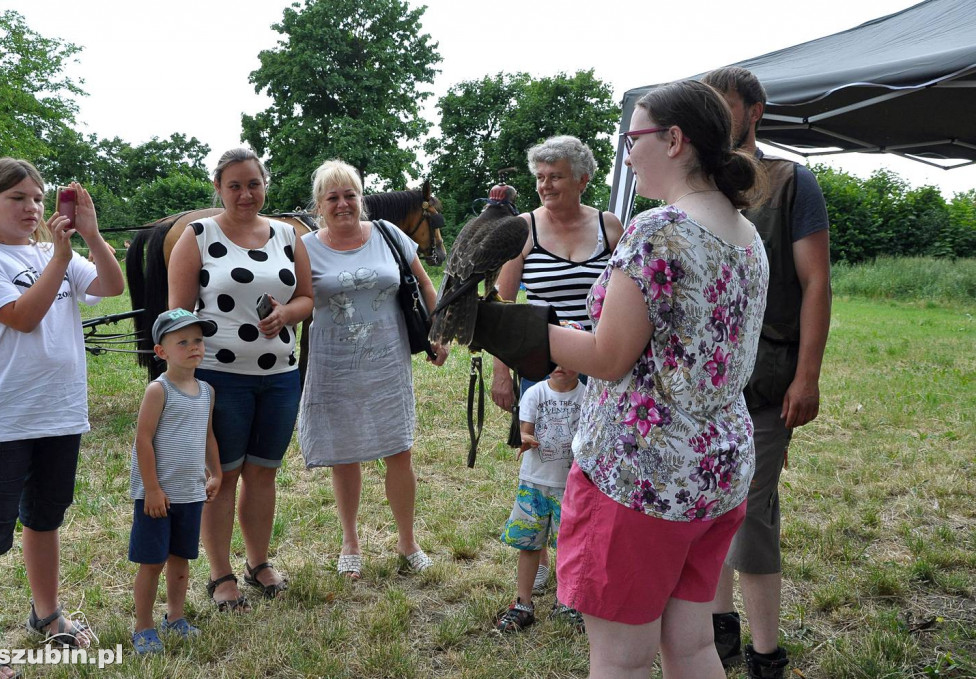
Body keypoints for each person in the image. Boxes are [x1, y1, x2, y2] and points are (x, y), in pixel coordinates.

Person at [471, 79, 771, 678]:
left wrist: (498, 325)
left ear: (675, 140)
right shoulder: (745, 232)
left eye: (634, 140)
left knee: (622, 662)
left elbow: (609, 357)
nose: (628, 155)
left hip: (642, 477)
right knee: (692, 646)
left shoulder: (659, 229)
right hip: (717, 470)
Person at [0, 159, 124, 679]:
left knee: (46, 517)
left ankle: (47, 614)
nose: (31, 208)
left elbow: (112, 285)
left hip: (59, 411)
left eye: (37, 198)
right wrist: (61, 257)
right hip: (2, 416)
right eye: (17, 198)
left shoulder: (52, 252)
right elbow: (23, 319)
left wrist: (91, 235)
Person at [702, 66, 832, 679]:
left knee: (750, 510)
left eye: (725, 104)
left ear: (754, 111)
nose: (715, 113)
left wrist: (807, 376)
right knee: (707, 504)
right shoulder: (694, 182)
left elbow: (815, 282)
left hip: (767, 373)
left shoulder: (789, 181)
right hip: (700, 381)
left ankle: (765, 653)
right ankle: (718, 626)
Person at [168, 148, 314, 611]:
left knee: (263, 473)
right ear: (219, 188)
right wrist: (183, 379)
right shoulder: (198, 236)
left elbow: (307, 297)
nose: (246, 194)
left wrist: (287, 313)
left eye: (253, 184)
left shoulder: (288, 235)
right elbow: (177, 316)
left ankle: (257, 562)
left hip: (281, 377)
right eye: (235, 185)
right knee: (222, 475)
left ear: (264, 185)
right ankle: (221, 574)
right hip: (219, 379)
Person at [298, 160, 448, 579]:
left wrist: (438, 331)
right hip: (334, 364)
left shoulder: (388, 234)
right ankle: (350, 541)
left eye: (350, 195)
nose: (343, 204)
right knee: (344, 454)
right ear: (319, 205)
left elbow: (425, 283)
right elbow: (295, 300)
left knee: (399, 450)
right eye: (332, 197)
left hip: (387, 361)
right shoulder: (304, 247)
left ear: (361, 199)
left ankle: (407, 541)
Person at [491, 134, 623, 585]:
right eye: (540, 177)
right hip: (542, 368)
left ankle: (583, 550)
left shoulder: (609, 227)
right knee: (546, 460)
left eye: (556, 177)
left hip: (601, 367)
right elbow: (503, 306)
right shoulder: (523, 228)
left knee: (594, 461)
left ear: (583, 180)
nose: (545, 185)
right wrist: (502, 373)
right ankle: (542, 557)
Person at [129, 309, 222, 655]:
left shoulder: (207, 391)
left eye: (198, 340)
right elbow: (143, 440)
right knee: (152, 563)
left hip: (190, 493)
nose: (193, 347)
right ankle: (143, 626)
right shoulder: (159, 390)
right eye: (182, 342)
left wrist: (216, 472)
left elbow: (208, 436)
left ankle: (176, 617)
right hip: (158, 496)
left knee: (181, 559)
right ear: (161, 351)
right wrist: (152, 489)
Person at [495, 323, 585, 634]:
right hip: (534, 482)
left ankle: (568, 602)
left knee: (570, 548)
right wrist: (524, 439)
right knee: (529, 544)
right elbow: (525, 430)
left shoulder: (588, 397)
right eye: (554, 359)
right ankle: (523, 602)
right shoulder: (535, 392)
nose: (560, 366)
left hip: (571, 487)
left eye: (569, 359)